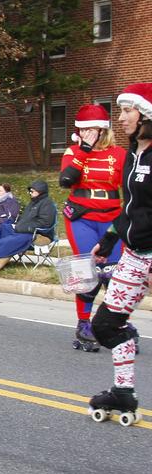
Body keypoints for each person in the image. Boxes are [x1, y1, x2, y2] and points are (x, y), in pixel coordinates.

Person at [87, 83, 152, 425]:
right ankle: (123, 392)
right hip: (133, 255)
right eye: (121, 110)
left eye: (128, 111)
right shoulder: (134, 154)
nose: (121, 117)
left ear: (147, 115)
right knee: (106, 325)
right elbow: (130, 208)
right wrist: (110, 239)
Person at [59, 104, 125, 352]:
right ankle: (84, 324)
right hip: (81, 217)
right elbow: (66, 180)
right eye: (83, 129)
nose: (86, 133)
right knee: (87, 270)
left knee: (115, 272)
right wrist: (84, 151)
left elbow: (129, 188)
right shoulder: (74, 151)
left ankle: (114, 323)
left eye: (92, 129)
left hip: (112, 216)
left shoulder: (119, 154)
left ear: (103, 130)